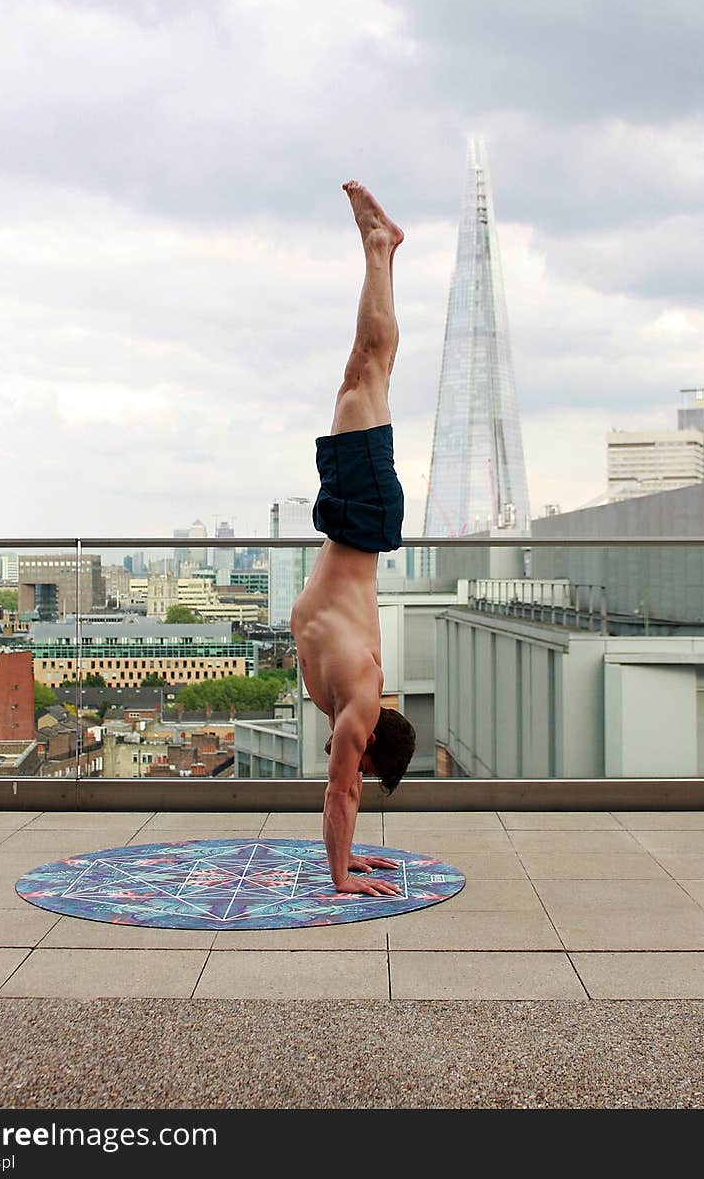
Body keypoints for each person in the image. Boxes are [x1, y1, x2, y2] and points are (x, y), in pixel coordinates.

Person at [290, 180, 416, 897]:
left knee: (366, 369)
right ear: (371, 744)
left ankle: (384, 252)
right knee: (366, 365)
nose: (351, 767)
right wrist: (342, 877)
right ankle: (380, 247)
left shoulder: (350, 699)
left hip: (355, 520)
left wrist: (350, 860)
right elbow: (342, 795)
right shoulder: (360, 699)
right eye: (363, 762)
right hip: (361, 516)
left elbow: (346, 793)